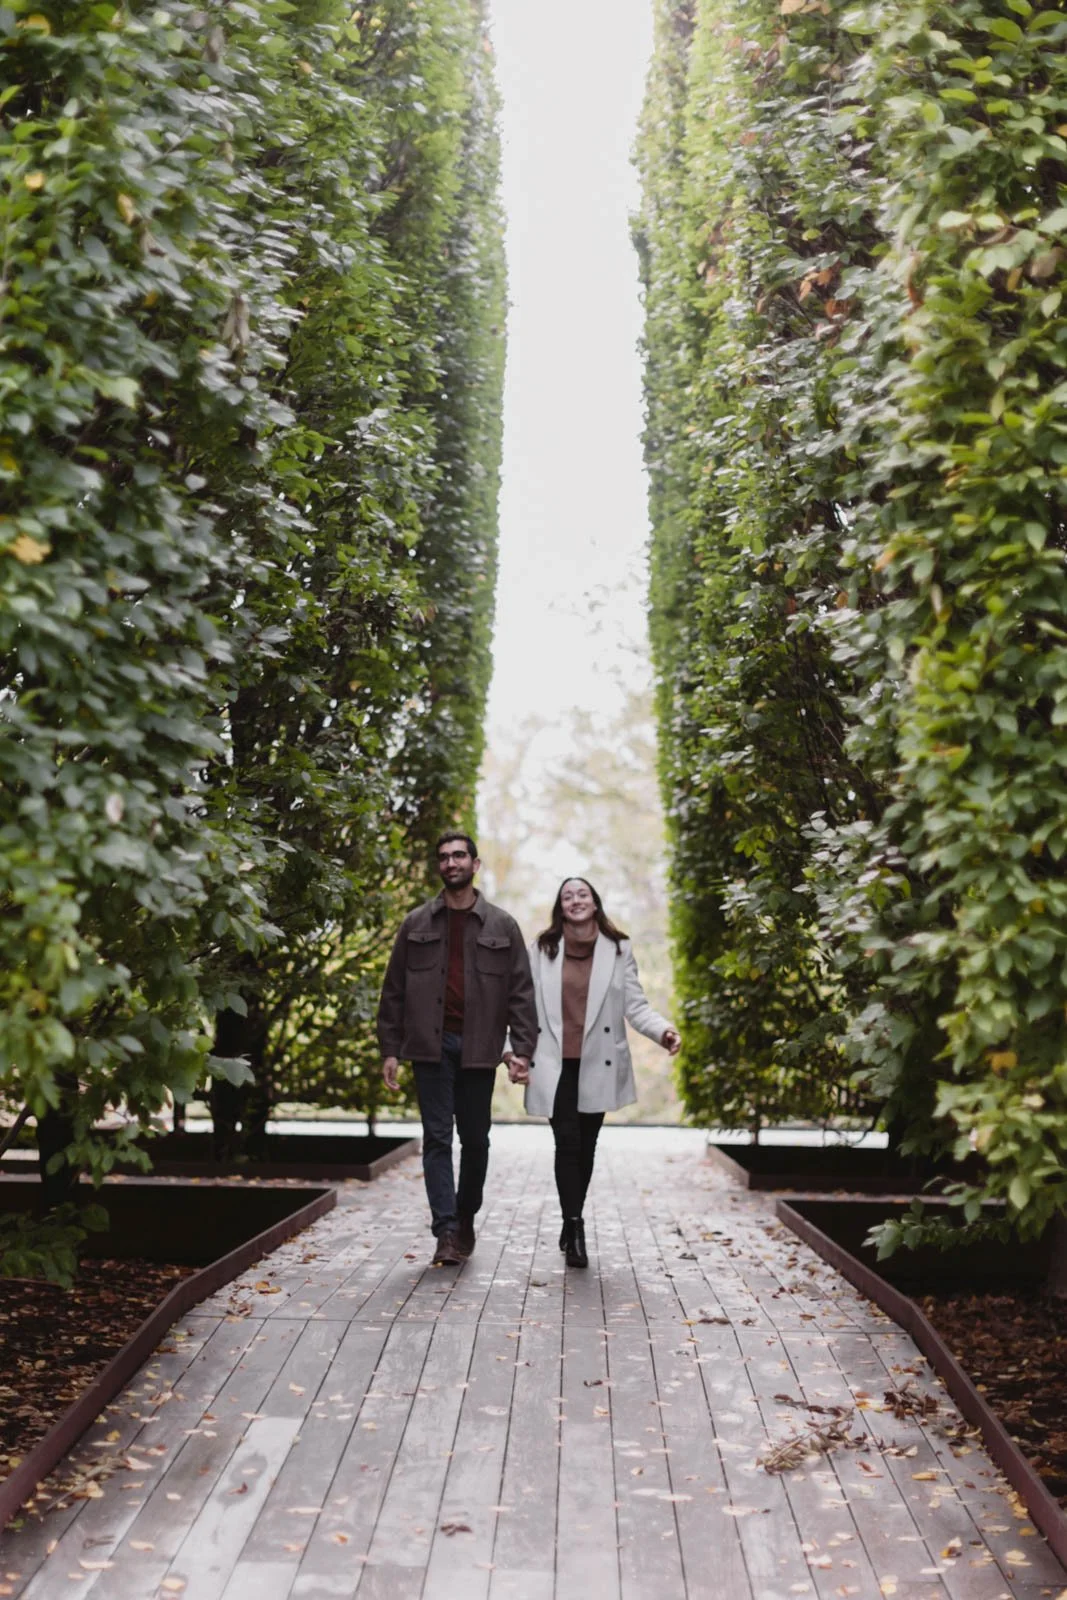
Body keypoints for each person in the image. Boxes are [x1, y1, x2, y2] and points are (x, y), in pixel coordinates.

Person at [377, 831, 537, 1267]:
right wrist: (390, 1049)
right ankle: (446, 1231)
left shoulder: (502, 925)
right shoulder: (416, 925)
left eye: (459, 855)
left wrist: (522, 1048)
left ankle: (465, 1214)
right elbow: (393, 991)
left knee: (476, 1140)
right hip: (430, 1047)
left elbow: (521, 992)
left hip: (479, 1048)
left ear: (475, 864)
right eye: (444, 857)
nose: (452, 863)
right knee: (437, 1139)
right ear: (439, 867)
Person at [509, 877, 681, 1269]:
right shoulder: (542, 949)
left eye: (582, 894)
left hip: (597, 1062)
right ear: (560, 906)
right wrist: (512, 1051)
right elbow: (521, 1005)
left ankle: (571, 1219)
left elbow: (635, 1005)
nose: (575, 900)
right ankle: (575, 1225)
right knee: (567, 1143)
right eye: (567, 895)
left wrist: (663, 1031)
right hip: (553, 1063)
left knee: (585, 1148)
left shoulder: (619, 949)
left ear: (595, 902)